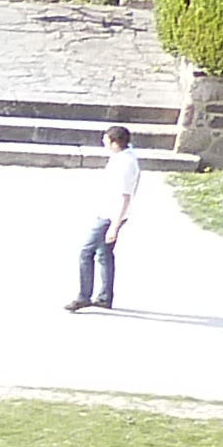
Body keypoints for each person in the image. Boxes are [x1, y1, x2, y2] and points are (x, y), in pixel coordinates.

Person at [70, 123, 141, 311]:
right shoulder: (124, 156)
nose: (104, 143)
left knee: (86, 253)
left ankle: (84, 296)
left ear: (116, 143)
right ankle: (104, 297)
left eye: (107, 140)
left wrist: (114, 227)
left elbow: (125, 196)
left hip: (110, 216)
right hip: (109, 213)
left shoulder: (125, 164)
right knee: (104, 255)